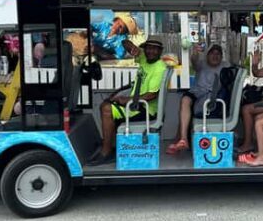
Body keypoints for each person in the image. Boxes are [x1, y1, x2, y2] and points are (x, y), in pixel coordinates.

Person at [89, 36, 166, 165]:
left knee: (106, 109)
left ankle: (106, 151)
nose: (151, 51)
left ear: (160, 51)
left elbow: (151, 95)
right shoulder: (144, 59)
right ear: (144, 49)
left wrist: (126, 99)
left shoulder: (159, 67)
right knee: (107, 103)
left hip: (145, 109)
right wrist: (132, 47)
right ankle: (112, 146)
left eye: (155, 49)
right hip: (136, 103)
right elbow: (124, 42)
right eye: (148, 48)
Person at [166, 44, 228, 154]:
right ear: (207, 55)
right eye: (212, 53)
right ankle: (183, 139)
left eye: (218, 54)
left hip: (211, 99)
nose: (215, 56)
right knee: (185, 101)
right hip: (196, 93)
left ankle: (179, 140)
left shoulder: (225, 66)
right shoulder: (201, 64)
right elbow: (194, 60)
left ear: (222, 56)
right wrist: (195, 52)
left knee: (186, 112)